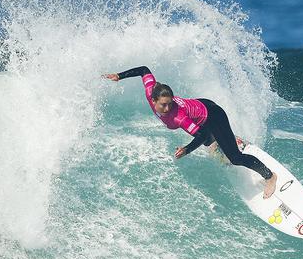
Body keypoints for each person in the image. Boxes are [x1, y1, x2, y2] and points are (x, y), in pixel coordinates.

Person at [104, 66, 278, 198]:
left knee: (235, 158)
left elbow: (200, 135)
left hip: (213, 115)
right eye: (163, 104)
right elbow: (143, 70)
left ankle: (269, 176)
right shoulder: (151, 90)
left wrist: (187, 149)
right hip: (200, 107)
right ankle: (226, 139)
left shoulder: (178, 117)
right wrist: (119, 76)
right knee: (211, 142)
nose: (167, 107)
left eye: (170, 103)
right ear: (153, 99)